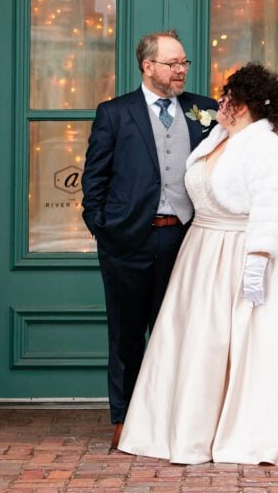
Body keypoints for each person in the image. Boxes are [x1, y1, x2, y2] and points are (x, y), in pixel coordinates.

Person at [118, 62, 278, 465]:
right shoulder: (220, 137)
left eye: (227, 97)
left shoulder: (268, 148)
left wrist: (257, 261)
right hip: (205, 253)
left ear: (241, 104)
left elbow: (272, 206)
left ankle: (251, 431)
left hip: (246, 249)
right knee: (203, 343)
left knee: (253, 343)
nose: (220, 103)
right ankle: (192, 429)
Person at [81, 29, 217, 449]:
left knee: (178, 331)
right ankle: (124, 419)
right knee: (126, 334)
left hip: (185, 239)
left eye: (184, 63)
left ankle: (173, 417)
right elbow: (95, 181)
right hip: (129, 242)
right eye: (173, 64)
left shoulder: (205, 110)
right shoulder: (114, 113)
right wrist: (105, 228)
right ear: (148, 66)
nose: (181, 71)